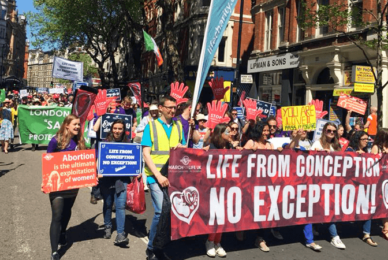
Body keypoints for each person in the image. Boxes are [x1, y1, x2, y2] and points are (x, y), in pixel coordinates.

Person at [142, 96, 186, 260]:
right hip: (156, 175)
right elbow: (146, 154)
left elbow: (183, 148)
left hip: (173, 175)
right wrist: (158, 175)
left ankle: (162, 244)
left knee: (171, 212)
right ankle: (152, 248)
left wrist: (182, 147)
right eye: (169, 107)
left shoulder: (178, 125)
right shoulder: (151, 126)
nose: (172, 110)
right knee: (161, 211)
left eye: (174, 107)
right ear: (160, 108)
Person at [45, 114, 86, 260]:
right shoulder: (55, 141)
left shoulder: (80, 141)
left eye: (78, 125)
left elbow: (85, 162)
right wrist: (45, 182)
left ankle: (63, 232)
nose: (77, 127)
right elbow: (48, 161)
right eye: (74, 124)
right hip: (57, 185)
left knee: (67, 210)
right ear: (66, 125)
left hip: (73, 185)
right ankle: (54, 251)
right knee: (57, 215)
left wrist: (92, 175)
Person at [311, 122, 346, 249]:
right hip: (320, 182)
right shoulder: (317, 143)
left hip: (333, 182)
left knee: (329, 207)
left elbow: (342, 160)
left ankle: (317, 227)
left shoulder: (337, 145)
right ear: (324, 131)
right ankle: (334, 236)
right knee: (327, 207)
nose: (331, 133)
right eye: (329, 130)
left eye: (333, 131)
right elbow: (312, 159)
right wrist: (321, 153)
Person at [204, 123, 235, 258]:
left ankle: (218, 242)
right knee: (215, 215)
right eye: (228, 132)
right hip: (214, 187)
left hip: (228, 186)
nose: (232, 134)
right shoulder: (211, 147)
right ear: (220, 134)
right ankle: (210, 241)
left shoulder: (230, 146)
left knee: (223, 215)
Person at [97, 119, 130, 246]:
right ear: (111, 129)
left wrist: (137, 170)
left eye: (120, 128)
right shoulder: (105, 143)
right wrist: (98, 170)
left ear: (123, 130)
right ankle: (108, 226)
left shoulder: (128, 143)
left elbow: (134, 159)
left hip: (121, 180)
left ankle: (120, 234)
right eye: (115, 128)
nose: (117, 131)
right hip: (106, 179)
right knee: (108, 203)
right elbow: (98, 158)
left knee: (120, 206)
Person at [371, 128, 388, 241]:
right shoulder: (376, 147)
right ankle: (386, 229)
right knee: (385, 204)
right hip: (380, 180)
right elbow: (371, 161)